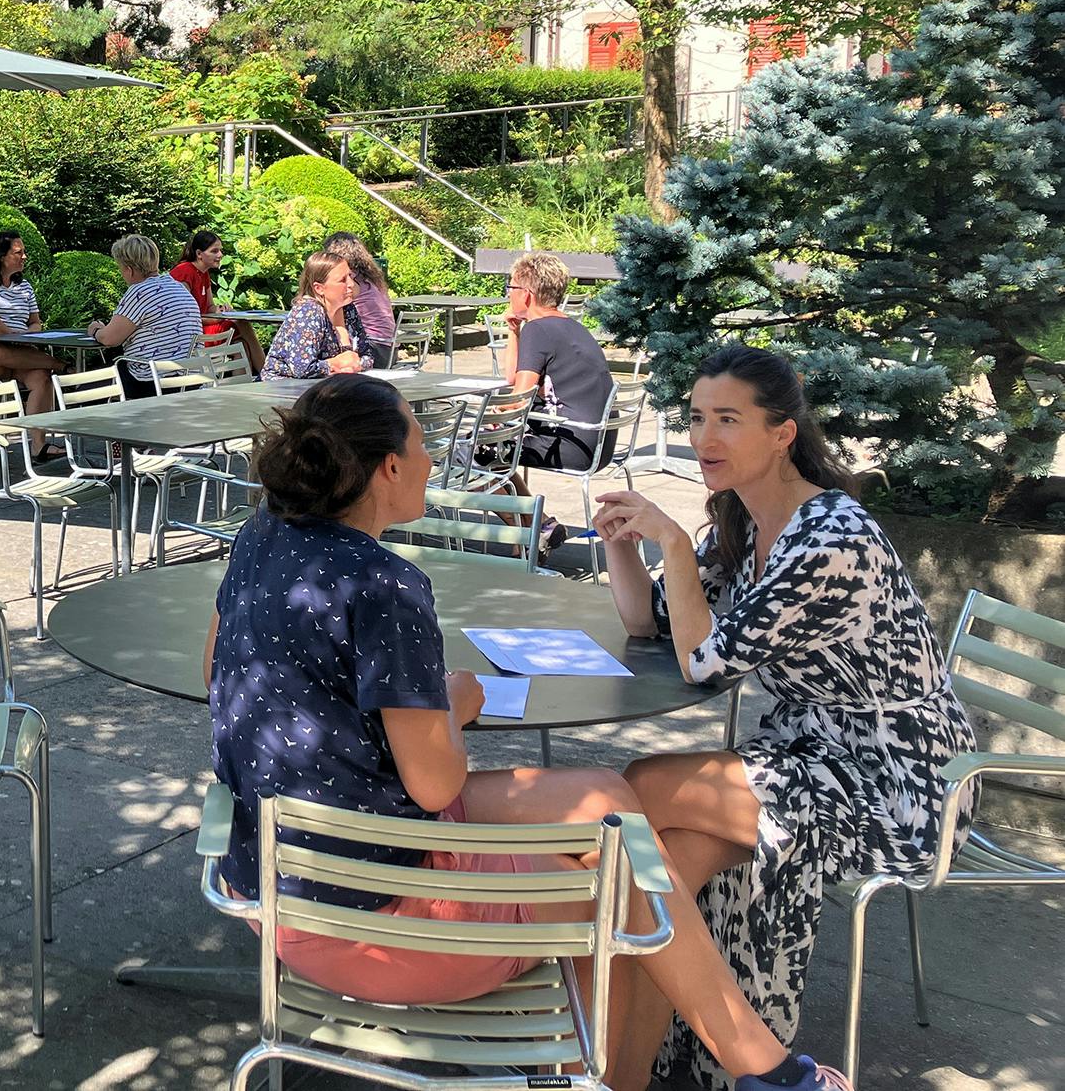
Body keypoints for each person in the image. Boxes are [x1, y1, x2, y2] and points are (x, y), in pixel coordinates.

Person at [205, 373, 852, 1091]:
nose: (432, 458)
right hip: (377, 922)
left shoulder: (262, 536)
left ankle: (673, 1071)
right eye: (423, 445)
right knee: (619, 872)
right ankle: (743, 1071)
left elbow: (218, 666)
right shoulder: (386, 585)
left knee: (611, 796)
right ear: (388, 466)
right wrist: (453, 700)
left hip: (272, 888)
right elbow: (436, 781)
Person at [591, 344, 977, 1091]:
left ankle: (683, 1062)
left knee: (636, 790)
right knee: (665, 855)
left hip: (900, 781)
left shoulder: (831, 536)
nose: (706, 438)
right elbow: (651, 622)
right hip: (813, 753)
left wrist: (670, 538)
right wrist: (624, 548)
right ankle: (628, 1077)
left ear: (782, 433)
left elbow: (704, 660)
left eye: (728, 419)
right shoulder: (741, 518)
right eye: (698, 417)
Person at [495, 252, 615, 553]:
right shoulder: (568, 326)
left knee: (475, 449)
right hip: (597, 442)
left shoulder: (540, 329)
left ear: (526, 294)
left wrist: (495, 414)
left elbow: (518, 399)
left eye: (511, 288)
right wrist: (514, 331)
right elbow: (514, 377)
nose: (509, 294)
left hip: (571, 443)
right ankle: (540, 527)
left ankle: (533, 530)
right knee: (493, 445)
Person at [0, 230, 63, 460]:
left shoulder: (24, 287)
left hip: (19, 355)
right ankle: (62, 366)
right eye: (19, 252)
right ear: (1, 256)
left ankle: (38, 446)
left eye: (24, 252)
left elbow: (36, 323)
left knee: (41, 377)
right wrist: (16, 334)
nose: (24, 256)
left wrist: (26, 335)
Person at [87, 234, 202, 400]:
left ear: (129, 270)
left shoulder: (140, 292)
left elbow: (110, 339)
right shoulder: (177, 287)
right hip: (190, 378)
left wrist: (96, 330)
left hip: (154, 380)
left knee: (89, 388)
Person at [260, 251, 373, 380]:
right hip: (283, 389)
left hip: (330, 386)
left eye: (350, 276)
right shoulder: (308, 312)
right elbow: (301, 369)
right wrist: (336, 363)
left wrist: (353, 366)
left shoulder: (348, 309)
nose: (351, 284)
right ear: (319, 288)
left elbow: (367, 355)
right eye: (342, 280)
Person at [168, 230, 265, 373]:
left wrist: (220, 311)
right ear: (199, 253)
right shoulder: (184, 272)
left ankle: (244, 386)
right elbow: (184, 317)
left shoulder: (204, 273)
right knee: (243, 324)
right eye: (214, 251)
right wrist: (216, 319)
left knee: (241, 343)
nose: (220, 255)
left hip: (202, 329)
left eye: (220, 251)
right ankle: (266, 373)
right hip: (191, 336)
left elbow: (209, 307)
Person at [324, 231, 394, 367]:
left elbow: (334, 312)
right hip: (388, 348)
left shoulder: (350, 280)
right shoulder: (370, 277)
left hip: (373, 349)